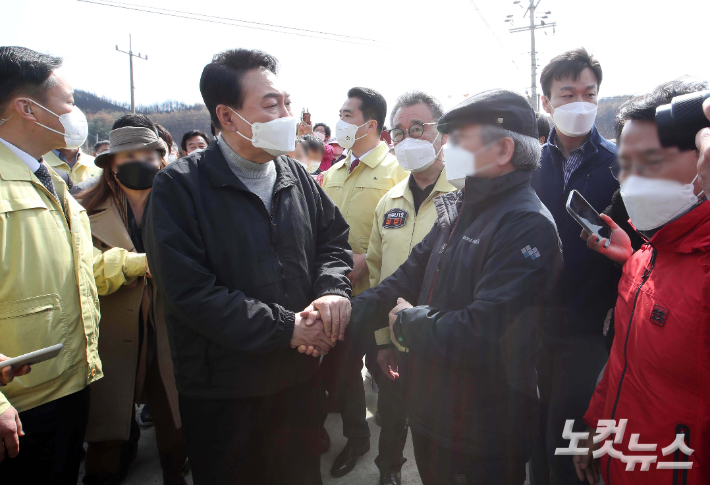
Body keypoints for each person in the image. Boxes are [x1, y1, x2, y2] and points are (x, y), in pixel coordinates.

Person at [143, 48, 353, 485]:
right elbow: (189, 292)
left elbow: (333, 240)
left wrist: (332, 290)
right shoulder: (179, 187)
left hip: (298, 380)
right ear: (228, 116)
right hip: (225, 392)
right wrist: (287, 327)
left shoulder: (295, 175)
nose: (289, 115)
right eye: (272, 105)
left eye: (288, 102)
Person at [348, 89, 563, 485]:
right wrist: (340, 318)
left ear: (502, 149)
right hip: (434, 410)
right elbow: (405, 277)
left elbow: (483, 330)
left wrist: (406, 322)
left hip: (486, 425)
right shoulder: (461, 207)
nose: (447, 147)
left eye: (460, 138)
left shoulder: (525, 224)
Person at [0, 46, 140, 484]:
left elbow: (79, 270)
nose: (75, 113)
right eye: (70, 101)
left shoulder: (49, 179)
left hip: (69, 382)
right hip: (18, 406)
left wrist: (145, 263)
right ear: (28, 107)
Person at [573, 79, 710, 485]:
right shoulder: (642, 260)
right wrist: (597, 427)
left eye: (649, 161)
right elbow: (621, 364)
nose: (632, 181)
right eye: (626, 166)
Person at [78, 126, 188, 485]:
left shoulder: (183, 205)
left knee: (173, 411)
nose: (140, 162)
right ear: (112, 165)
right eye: (129, 157)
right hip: (113, 329)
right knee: (108, 419)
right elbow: (83, 272)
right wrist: (141, 264)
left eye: (148, 155)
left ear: (162, 160)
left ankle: (176, 468)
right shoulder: (83, 209)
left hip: (169, 324)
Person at [530, 47, 619, 485]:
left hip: (588, 327)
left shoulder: (620, 163)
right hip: (529, 325)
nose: (579, 103)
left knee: (566, 441)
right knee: (534, 434)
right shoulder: (527, 163)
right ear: (546, 102)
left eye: (590, 93)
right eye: (567, 94)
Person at [367, 91, 456, 485]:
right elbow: (376, 273)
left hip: (446, 344)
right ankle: (388, 471)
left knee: (441, 432)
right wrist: (382, 341)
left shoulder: (464, 196)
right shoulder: (390, 201)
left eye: (418, 128)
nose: (408, 139)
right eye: (399, 132)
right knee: (391, 416)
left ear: (442, 133)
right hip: (395, 340)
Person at [321, 87, 408, 478]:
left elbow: (405, 238)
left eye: (346, 114)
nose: (339, 121)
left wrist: (363, 264)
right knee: (343, 376)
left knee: (388, 379)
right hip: (337, 295)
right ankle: (357, 439)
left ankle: (391, 459)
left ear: (370, 124)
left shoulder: (397, 171)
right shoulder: (331, 174)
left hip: (381, 298)